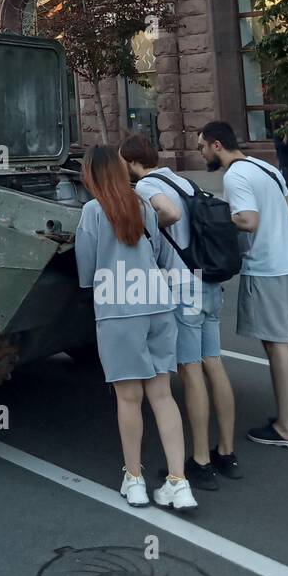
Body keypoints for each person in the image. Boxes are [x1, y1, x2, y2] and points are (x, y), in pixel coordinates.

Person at [75, 145, 196, 511]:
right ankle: (179, 482)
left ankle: (135, 479)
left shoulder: (93, 212)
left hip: (118, 309)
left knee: (129, 399)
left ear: (92, 176)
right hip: (158, 304)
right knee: (162, 395)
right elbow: (159, 251)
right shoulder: (143, 206)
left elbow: (86, 270)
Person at [120, 134, 240, 488]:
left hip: (182, 285)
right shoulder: (180, 178)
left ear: (129, 162)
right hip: (207, 279)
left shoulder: (144, 187)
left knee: (189, 370)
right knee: (213, 362)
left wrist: (147, 231)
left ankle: (200, 460)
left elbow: (169, 214)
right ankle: (226, 451)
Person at [198, 123, 288, 447]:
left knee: (276, 344)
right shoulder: (266, 167)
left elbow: (248, 220)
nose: (202, 154)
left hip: (267, 267)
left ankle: (286, 428)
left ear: (216, 145)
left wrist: (216, 215)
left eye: (203, 147)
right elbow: (285, 207)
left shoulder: (236, 175)